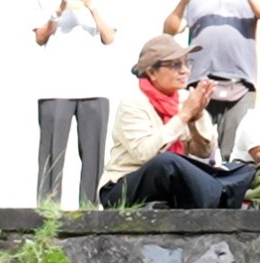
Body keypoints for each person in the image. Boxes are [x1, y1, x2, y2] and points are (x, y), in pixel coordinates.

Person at [99, 34, 255, 207]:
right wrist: (183, 117)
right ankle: (221, 196)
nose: (185, 71)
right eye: (175, 65)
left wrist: (195, 120)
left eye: (187, 63)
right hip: (124, 187)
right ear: (152, 72)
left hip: (173, 179)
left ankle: (218, 193)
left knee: (241, 169)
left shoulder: (184, 99)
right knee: (166, 162)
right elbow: (145, 155)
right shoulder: (133, 103)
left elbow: (203, 153)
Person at [35, 1, 117, 207]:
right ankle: (47, 210)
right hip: (55, 87)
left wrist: (92, 7)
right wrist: (60, 9)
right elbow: (40, 37)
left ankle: (89, 209)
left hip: (95, 87)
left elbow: (109, 37)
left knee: (93, 156)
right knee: (51, 153)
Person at [164, 0, 260, 158]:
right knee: (194, 149)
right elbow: (169, 30)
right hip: (199, 82)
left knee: (234, 151)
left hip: (240, 84)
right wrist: (183, 3)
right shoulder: (195, 3)